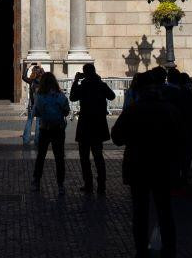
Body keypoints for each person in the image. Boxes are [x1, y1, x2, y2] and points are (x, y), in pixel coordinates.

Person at [111, 72, 181, 258]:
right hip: (163, 167)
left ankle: (141, 250)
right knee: (165, 211)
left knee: (140, 212)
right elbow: (180, 138)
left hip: (138, 167)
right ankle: (169, 250)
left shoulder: (133, 110)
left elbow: (117, 137)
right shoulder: (170, 110)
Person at [69, 64, 115, 195]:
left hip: (85, 124)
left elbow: (72, 97)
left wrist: (76, 81)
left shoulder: (83, 85)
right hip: (98, 124)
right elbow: (112, 96)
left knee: (84, 157)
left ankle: (88, 184)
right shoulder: (101, 85)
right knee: (98, 156)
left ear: (84, 73)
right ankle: (102, 185)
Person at [31, 73, 70, 190]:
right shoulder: (60, 96)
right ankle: (60, 184)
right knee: (59, 157)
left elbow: (36, 113)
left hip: (45, 128)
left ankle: (36, 181)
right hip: (58, 129)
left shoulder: (40, 96)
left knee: (41, 156)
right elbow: (66, 111)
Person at [21, 62, 44, 146]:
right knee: (38, 122)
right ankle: (37, 140)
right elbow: (45, 75)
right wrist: (41, 67)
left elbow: (23, 77)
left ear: (33, 73)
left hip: (32, 105)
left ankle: (26, 139)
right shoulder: (43, 81)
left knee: (29, 121)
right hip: (40, 105)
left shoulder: (32, 81)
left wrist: (27, 67)